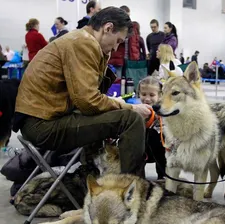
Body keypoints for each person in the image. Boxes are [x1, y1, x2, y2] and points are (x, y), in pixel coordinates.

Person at [14, 7, 152, 176]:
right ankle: (133, 192)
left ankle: (89, 176)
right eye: (118, 41)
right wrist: (129, 107)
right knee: (131, 119)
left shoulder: (80, 39)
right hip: (42, 126)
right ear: (107, 28)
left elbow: (87, 99)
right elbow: (88, 101)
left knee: (106, 115)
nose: (116, 48)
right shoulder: (83, 42)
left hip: (41, 121)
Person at [137, 76, 166, 179]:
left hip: (160, 151)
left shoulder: (164, 113)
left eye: (152, 95)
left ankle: (163, 176)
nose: (147, 99)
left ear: (160, 95)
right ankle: (139, 176)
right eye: (143, 94)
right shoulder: (137, 110)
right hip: (142, 151)